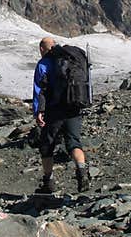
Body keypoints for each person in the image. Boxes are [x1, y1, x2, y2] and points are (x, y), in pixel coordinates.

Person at [32, 37, 91, 193]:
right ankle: (82, 173)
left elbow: (40, 89)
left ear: (42, 49)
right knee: (74, 142)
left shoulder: (44, 64)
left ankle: (48, 183)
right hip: (74, 106)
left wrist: (39, 111)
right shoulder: (72, 58)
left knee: (47, 146)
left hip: (54, 110)